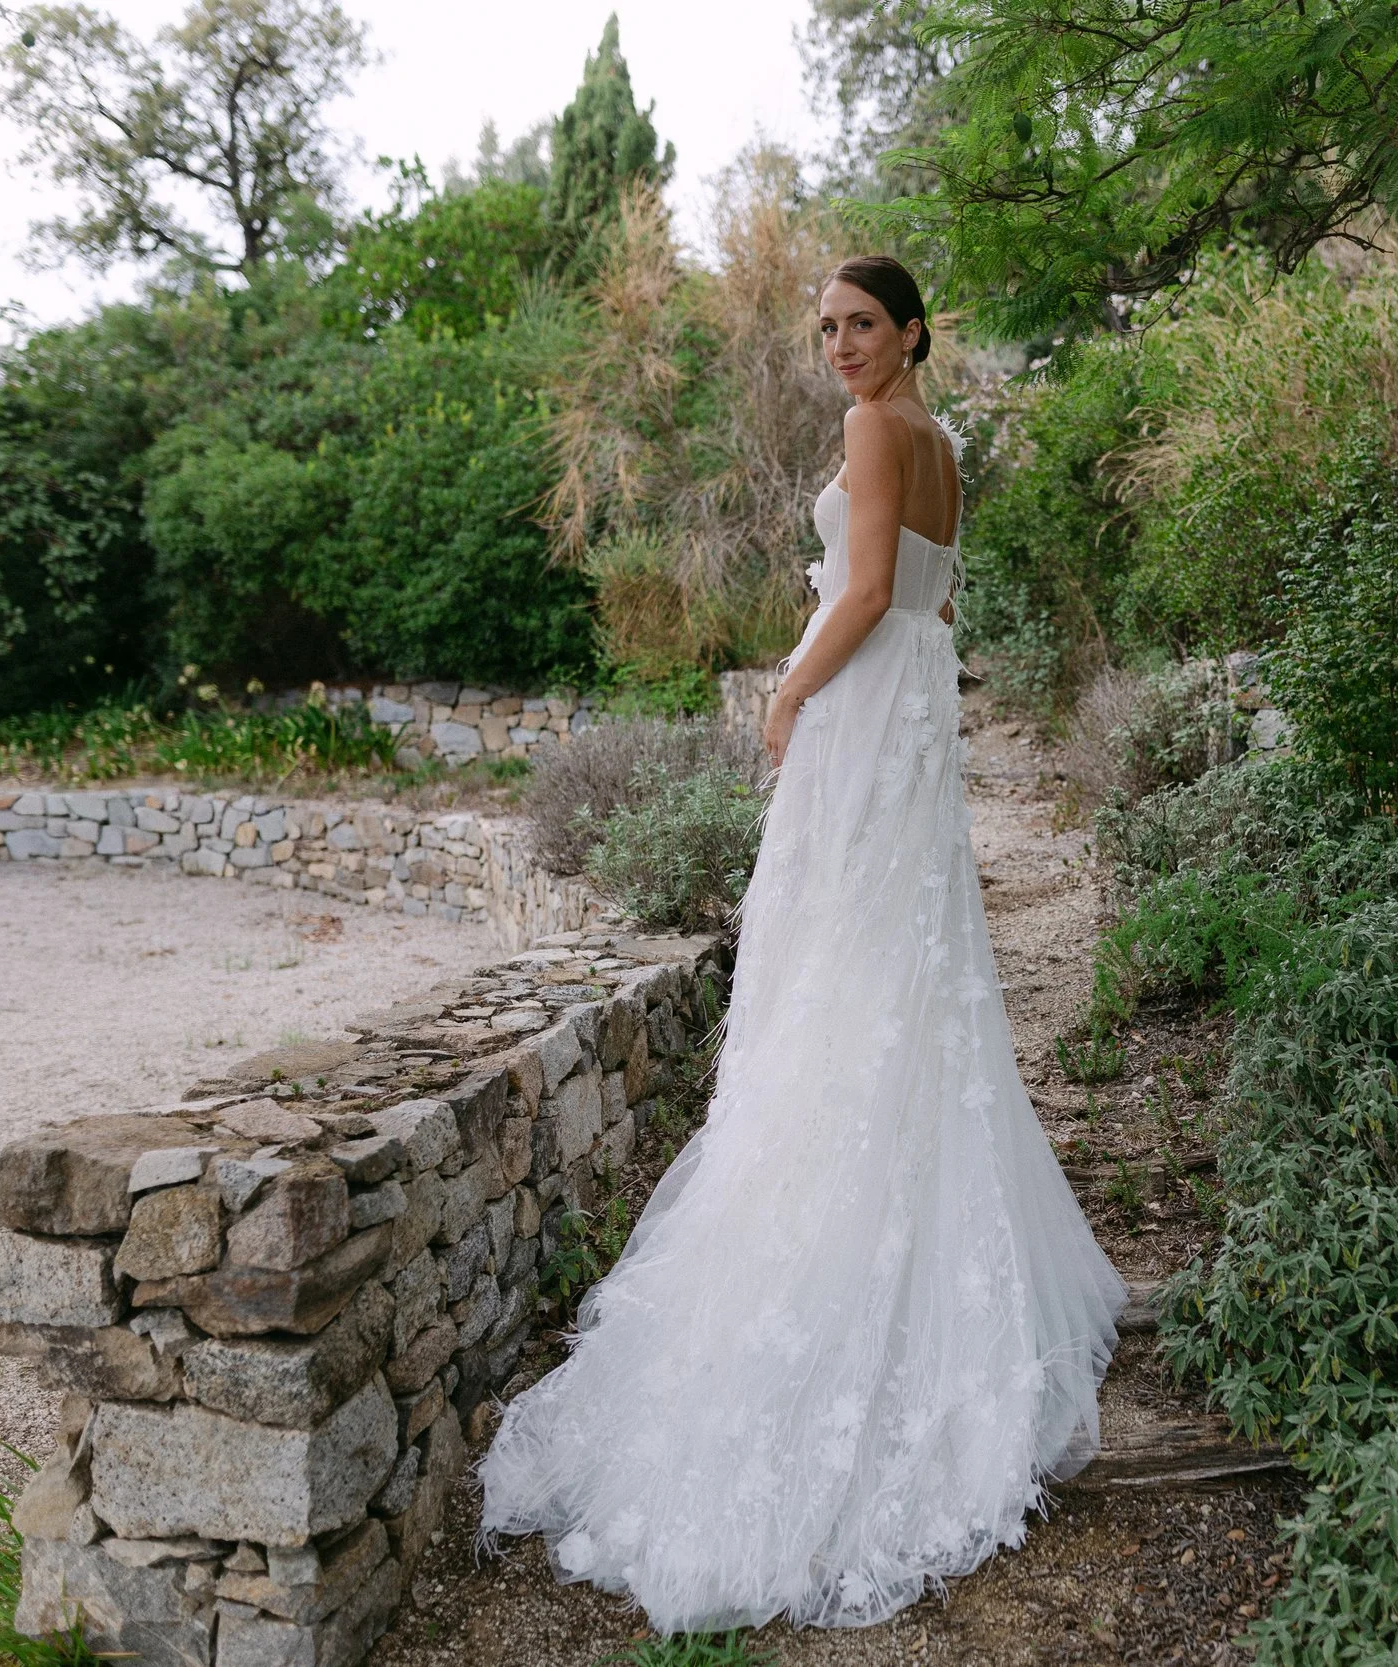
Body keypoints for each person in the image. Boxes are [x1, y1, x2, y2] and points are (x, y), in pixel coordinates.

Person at [477, 256, 1125, 1634]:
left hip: (869, 713)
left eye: (861, 324)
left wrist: (788, 694)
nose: (839, 345)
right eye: (827, 328)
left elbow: (873, 587)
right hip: (914, 715)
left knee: (842, 965)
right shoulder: (940, 439)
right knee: (893, 969)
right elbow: (937, 602)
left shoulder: (877, 426)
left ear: (911, 333)